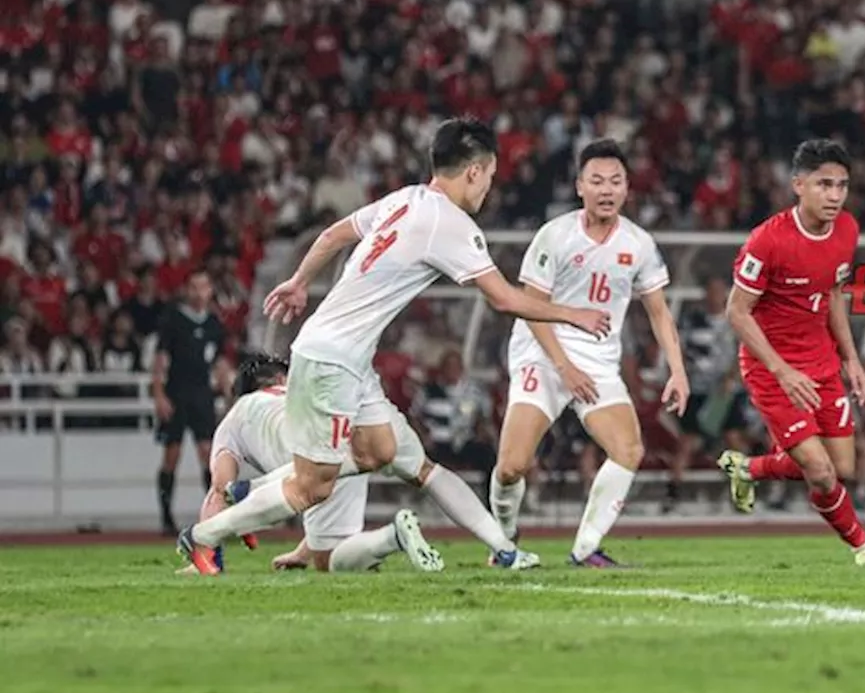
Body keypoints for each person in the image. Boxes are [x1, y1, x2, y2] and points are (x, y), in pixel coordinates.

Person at [177, 118, 610, 574]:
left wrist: (301, 282)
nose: (487, 191)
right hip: (333, 360)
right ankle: (203, 535)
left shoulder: (404, 200)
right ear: (476, 172)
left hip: (349, 360)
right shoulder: (452, 224)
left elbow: (332, 235)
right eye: (491, 178)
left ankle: (504, 550)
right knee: (312, 489)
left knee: (380, 450)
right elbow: (502, 299)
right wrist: (573, 314)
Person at [489, 138, 689, 567]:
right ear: (580, 186)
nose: (606, 189)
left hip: (596, 362)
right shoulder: (555, 235)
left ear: (627, 188)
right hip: (541, 354)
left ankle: (585, 549)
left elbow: (658, 312)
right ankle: (503, 540)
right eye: (596, 180)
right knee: (511, 467)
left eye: (615, 181)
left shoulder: (639, 244)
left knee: (629, 450)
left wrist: (678, 370)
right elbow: (532, 308)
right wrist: (564, 367)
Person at [189, 355, 538, 574]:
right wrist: (301, 550)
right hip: (364, 407)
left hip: (318, 446)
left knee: (330, 560)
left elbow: (218, 490)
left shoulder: (236, 416)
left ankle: (392, 537)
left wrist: (208, 556)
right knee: (427, 472)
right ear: (282, 380)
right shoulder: (299, 386)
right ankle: (503, 547)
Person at [716, 139, 865, 566]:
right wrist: (782, 371)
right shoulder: (767, 241)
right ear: (798, 185)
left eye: (841, 186)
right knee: (821, 472)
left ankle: (750, 469)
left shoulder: (847, 230)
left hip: (822, 364)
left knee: (842, 467)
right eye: (824, 185)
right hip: (773, 370)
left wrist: (851, 359)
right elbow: (736, 311)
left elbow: (835, 295)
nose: (835, 195)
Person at [152, 269, 229, 535]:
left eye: (203, 287)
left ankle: (213, 516)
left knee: (208, 455)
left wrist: (225, 384)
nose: (199, 293)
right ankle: (165, 518)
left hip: (201, 395)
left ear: (210, 290)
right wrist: (159, 394)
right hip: (176, 393)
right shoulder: (173, 320)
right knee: (171, 455)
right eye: (194, 287)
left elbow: (219, 360)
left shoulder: (214, 325)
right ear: (187, 290)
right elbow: (161, 360)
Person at [669, 277, 746, 512]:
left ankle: (739, 493)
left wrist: (731, 377)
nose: (717, 295)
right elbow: (679, 349)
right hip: (698, 389)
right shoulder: (691, 321)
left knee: (734, 440)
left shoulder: (735, 320)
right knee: (687, 442)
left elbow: (743, 351)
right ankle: (673, 494)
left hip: (724, 394)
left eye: (721, 291)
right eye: (713, 291)